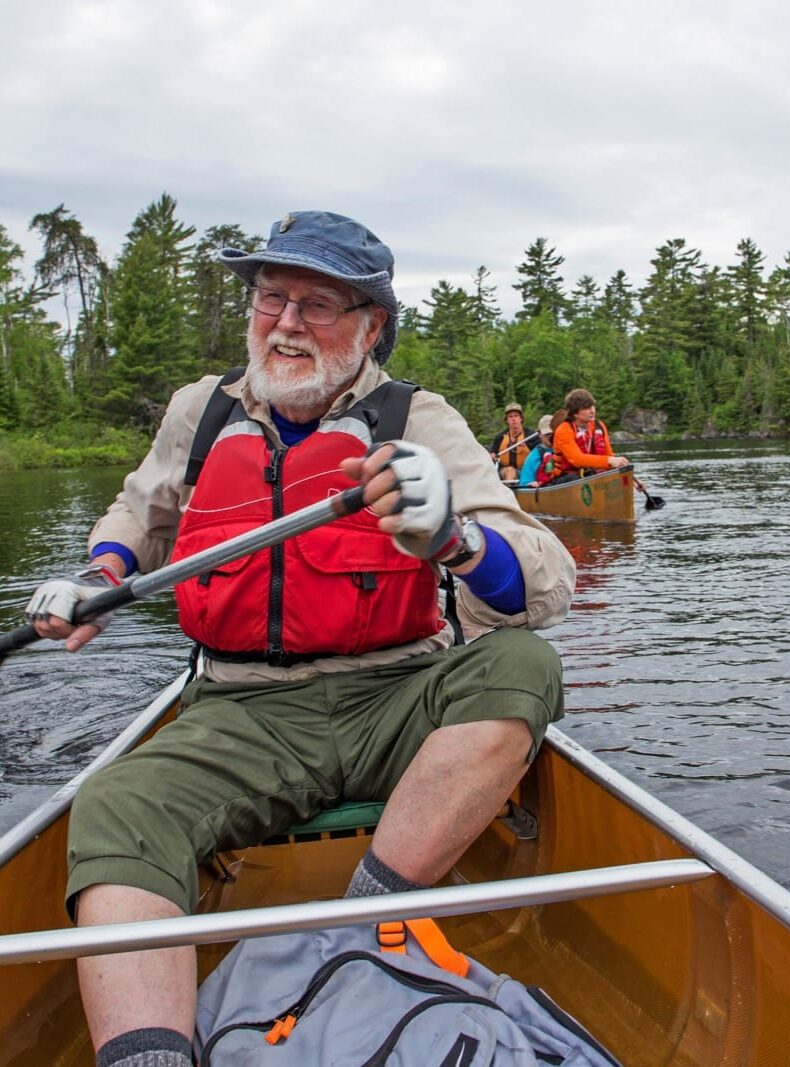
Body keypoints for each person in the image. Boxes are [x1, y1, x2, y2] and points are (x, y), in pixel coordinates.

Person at [23, 210, 576, 1067]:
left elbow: (546, 583)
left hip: (394, 694)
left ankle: (356, 928)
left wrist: (454, 540)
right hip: (239, 706)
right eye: (270, 297)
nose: (283, 322)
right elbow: (142, 512)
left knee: (519, 665)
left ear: (370, 327)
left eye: (315, 304)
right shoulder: (199, 412)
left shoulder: (417, 419)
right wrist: (97, 575)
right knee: (117, 802)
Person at [549, 388, 629, 483]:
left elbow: (609, 455)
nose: (592, 411)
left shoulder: (599, 426)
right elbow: (577, 459)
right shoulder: (563, 430)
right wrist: (609, 460)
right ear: (575, 413)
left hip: (589, 474)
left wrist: (629, 479)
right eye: (587, 408)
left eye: (593, 406)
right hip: (566, 477)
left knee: (609, 474)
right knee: (575, 478)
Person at [488, 402, 535, 481]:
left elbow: (540, 452)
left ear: (521, 418)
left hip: (525, 471)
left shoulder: (531, 436)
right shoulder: (500, 437)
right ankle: (509, 491)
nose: (513, 419)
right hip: (504, 471)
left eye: (516, 416)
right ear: (507, 420)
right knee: (510, 471)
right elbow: (493, 453)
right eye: (510, 416)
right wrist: (492, 456)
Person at [518, 413, 556, 486]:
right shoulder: (533, 457)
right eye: (547, 434)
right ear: (539, 434)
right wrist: (530, 484)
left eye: (552, 433)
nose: (550, 437)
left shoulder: (566, 450)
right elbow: (524, 483)